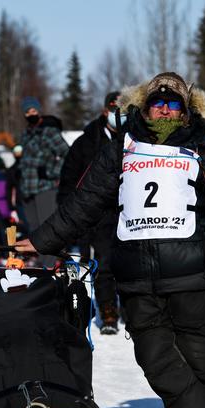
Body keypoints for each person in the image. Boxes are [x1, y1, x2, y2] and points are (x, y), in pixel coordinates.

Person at [16, 72, 205, 408]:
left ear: (187, 111)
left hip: (196, 280)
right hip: (137, 282)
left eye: (174, 104)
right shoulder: (120, 150)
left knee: (201, 369)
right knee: (155, 359)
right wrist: (40, 240)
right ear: (143, 108)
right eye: (157, 102)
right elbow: (85, 203)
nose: (164, 109)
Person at [58, 91, 123, 334]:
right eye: (114, 108)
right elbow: (68, 180)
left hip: (126, 213)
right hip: (94, 214)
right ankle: (98, 311)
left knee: (123, 266)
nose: (119, 115)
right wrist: (69, 216)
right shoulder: (86, 142)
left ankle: (122, 311)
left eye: (123, 109)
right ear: (105, 111)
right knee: (96, 265)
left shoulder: (135, 140)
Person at [18, 96, 69, 248]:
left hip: (45, 186)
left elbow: (68, 154)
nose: (30, 114)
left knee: (46, 228)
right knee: (33, 228)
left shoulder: (49, 132)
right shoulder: (25, 134)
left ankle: (49, 263)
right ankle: (40, 262)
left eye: (33, 110)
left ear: (39, 111)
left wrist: (51, 171)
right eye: (27, 112)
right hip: (27, 188)